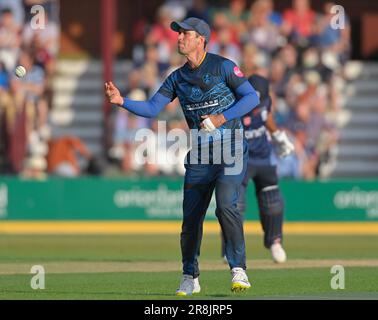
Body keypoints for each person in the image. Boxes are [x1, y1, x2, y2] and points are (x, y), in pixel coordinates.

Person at [105, 17, 260, 295]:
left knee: (226, 206)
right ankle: (190, 274)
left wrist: (221, 117)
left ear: (201, 39)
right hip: (200, 154)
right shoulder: (177, 77)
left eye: (185, 34)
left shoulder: (224, 66)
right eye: (178, 34)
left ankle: (238, 269)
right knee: (190, 220)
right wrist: (122, 101)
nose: (179, 38)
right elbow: (153, 108)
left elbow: (252, 98)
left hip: (232, 149)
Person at [221, 74, 294, 264]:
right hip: (240, 158)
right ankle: (230, 247)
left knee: (273, 202)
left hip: (262, 157)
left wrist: (277, 135)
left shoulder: (265, 102)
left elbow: (267, 116)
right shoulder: (233, 104)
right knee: (235, 204)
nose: (255, 105)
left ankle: (275, 242)